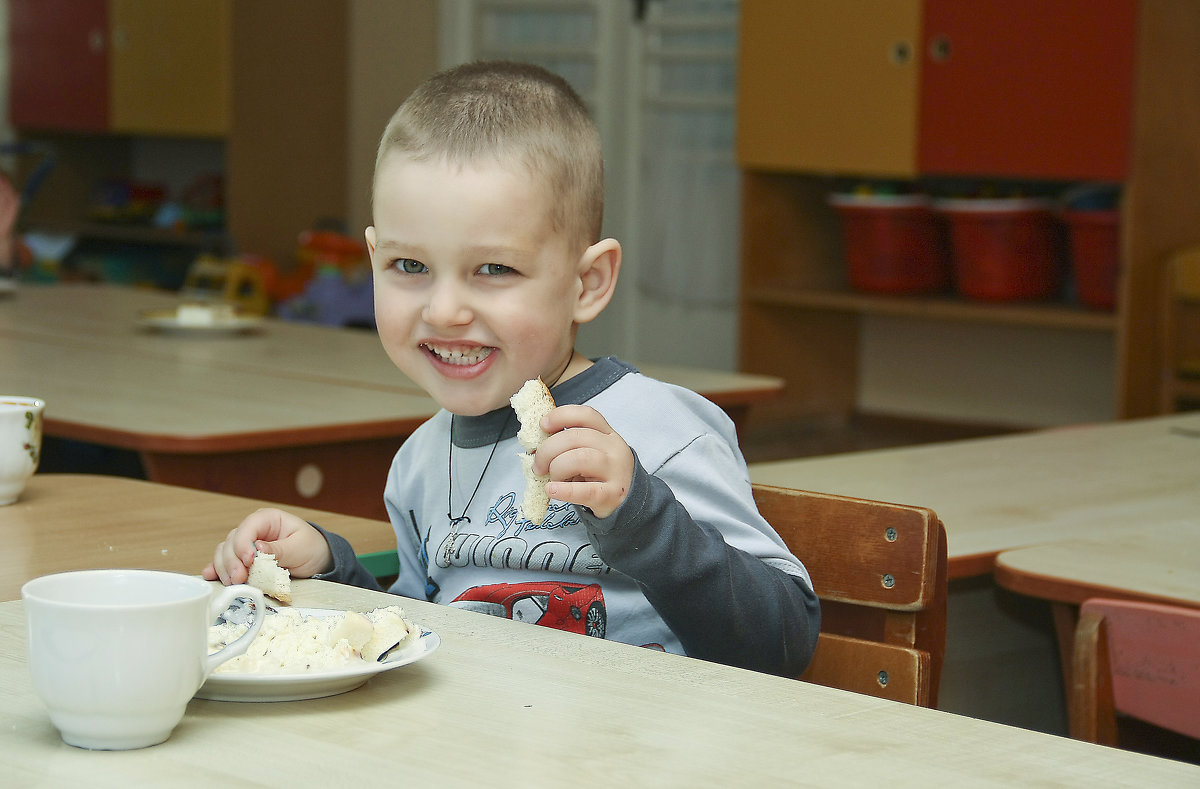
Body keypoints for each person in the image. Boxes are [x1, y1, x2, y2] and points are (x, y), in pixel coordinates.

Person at [205, 61, 819, 677]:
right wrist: (332, 569)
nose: (444, 310)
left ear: (588, 283)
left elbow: (784, 644)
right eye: (409, 267)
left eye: (494, 270)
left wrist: (642, 516)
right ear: (373, 258)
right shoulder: (419, 463)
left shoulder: (661, 431)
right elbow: (418, 633)